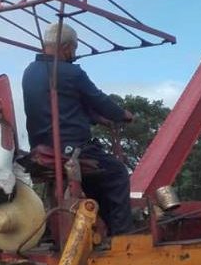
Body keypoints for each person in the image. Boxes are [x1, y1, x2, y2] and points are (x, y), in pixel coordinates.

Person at [22, 23, 134, 236]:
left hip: (41, 147)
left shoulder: (30, 72)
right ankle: (122, 236)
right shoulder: (71, 72)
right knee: (117, 172)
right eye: (74, 48)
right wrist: (122, 115)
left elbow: (62, 105)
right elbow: (98, 99)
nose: (74, 53)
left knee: (96, 175)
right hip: (70, 148)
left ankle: (98, 227)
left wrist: (95, 118)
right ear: (66, 47)